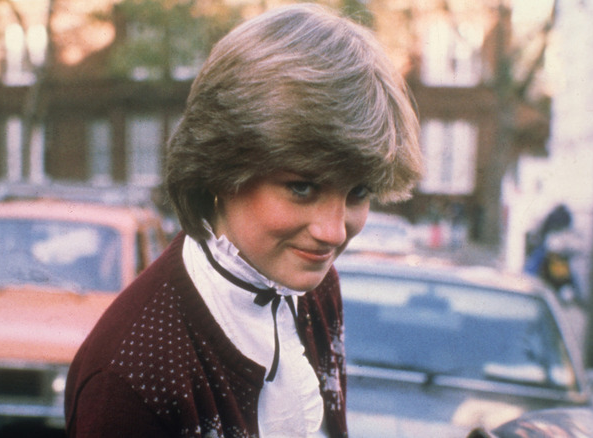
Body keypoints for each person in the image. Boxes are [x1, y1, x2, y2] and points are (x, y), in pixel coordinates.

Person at [65, 3, 422, 437]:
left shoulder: (315, 284)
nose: (333, 232)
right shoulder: (130, 378)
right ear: (221, 165)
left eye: (358, 192)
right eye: (302, 187)